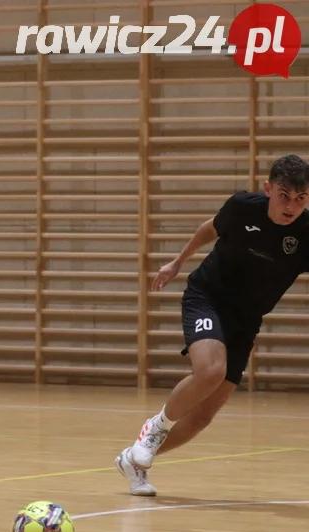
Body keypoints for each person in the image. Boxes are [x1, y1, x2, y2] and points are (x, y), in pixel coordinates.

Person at [116, 154, 309, 496]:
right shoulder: (242, 207)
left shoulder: (306, 233)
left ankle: (134, 460)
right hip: (207, 296)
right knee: (211, 370)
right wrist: (177, 261)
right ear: (268, 189)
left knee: (204, 415)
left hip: (247, 319)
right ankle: (155, 426)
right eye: (284, 195)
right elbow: (210, 228)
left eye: (301, 197)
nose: (291, 205)